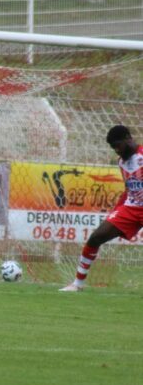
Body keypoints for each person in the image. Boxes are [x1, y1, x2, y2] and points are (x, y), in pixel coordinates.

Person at [60, 125, 142, 292]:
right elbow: (129, 189)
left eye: (118, 145)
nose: (117, 150)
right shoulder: (122, 163)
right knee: (96, 237)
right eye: (113, 148)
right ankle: (77, 284)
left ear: (128, 138)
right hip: (132, 208)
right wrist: (117, 211)